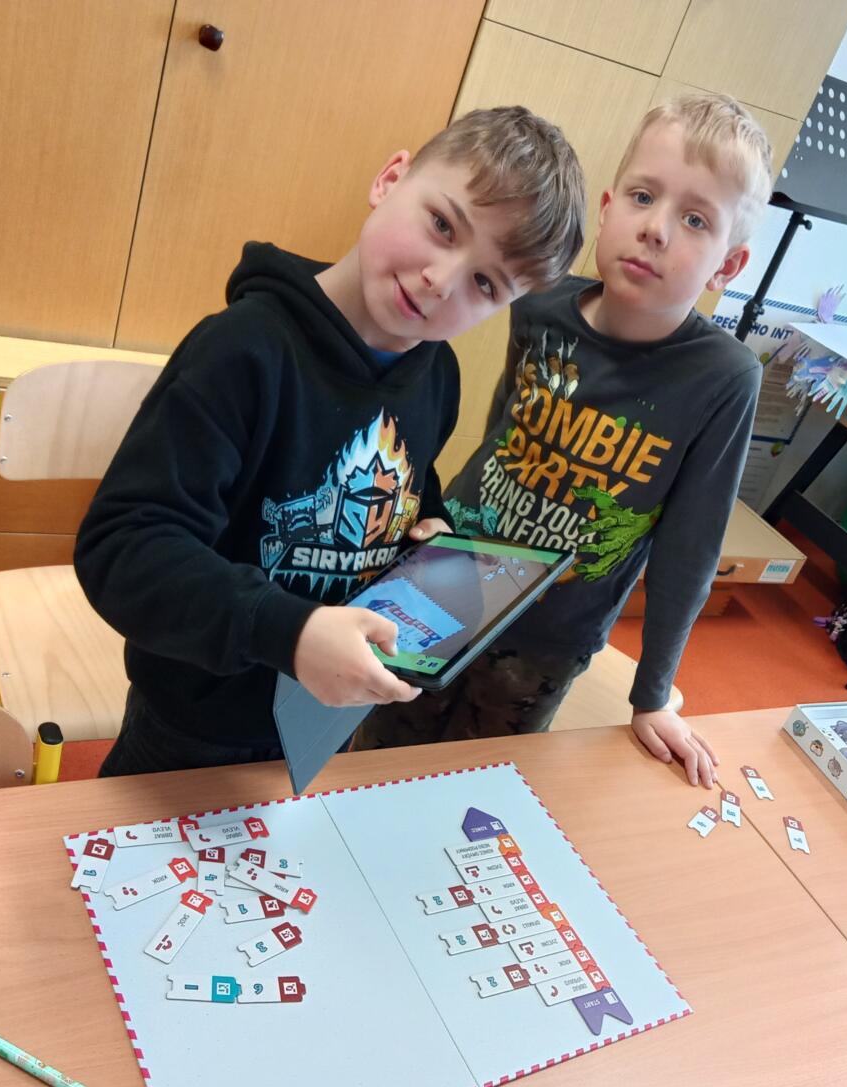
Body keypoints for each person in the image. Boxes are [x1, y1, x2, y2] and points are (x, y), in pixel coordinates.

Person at [74, 107, 586, 777]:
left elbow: (411, 486)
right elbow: (123, 548)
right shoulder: (241, 352)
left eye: (485, 284)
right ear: (390, 178)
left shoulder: (437, 374)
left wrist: (425, 531)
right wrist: (291, 632)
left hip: (328, 717)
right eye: (442, 225)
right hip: (193, 726)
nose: (441, 280)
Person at [357, 93, 772, 789]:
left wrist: (653, 695)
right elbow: (501, 430)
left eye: (695, 219)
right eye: (643, 197)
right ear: (608, 208)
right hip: (449, 577)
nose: (655, 229)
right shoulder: (539, 304)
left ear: (727, 267)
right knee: (371, 745)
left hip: (549, 635)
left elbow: (690, 550)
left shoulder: (723, 378)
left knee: (471, 784)